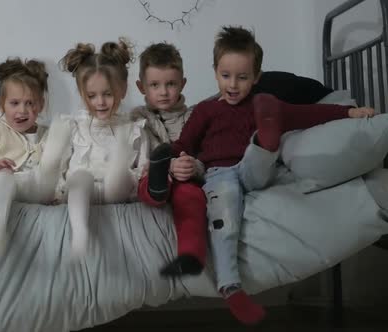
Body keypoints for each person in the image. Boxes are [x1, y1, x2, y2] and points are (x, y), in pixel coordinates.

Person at [150, 26, 375, 325]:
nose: (233, 84)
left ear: (256, 77)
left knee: (263, 160)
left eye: (242, 77)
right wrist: (175, 160)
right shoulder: (204, 111)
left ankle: (263, 142)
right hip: (221, 174)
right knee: (225, 206)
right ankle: (230, 286)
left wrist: (347, 113)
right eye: (226, 76)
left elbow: (309, 113)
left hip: (255, 168)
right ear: (215, 73)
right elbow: (182, 145)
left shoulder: (263, 103)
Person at [0, 57, 69, 254]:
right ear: (2, 104)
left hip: (40, 185)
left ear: (41, 104)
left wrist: (59, 190)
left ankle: (55, 189)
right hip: (10, 186)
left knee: (57, 152)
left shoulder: (47, 134)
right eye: (15, 103)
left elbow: (63, 168)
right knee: (2, 178)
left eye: (30, 103)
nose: (22, 111)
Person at [56, 38, 149, 256]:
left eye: (108, 94)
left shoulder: (134, 128)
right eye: (92, 96)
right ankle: (80, 233)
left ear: (123, 89)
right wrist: (57, 189)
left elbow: (144, 167)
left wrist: (137, 177)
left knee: (120, 175)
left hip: (115, 190)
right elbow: (60, 165)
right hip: (82, 189)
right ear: (82, 94)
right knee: (79, 177)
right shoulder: (74, 125)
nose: (100, 102)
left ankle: (117, 165)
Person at [132, 42, 208, 277]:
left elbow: (207, 155)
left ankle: (190, 256)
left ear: (183, 84)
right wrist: (165, 166)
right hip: (152, 176)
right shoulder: (137, 119)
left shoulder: (195, 116)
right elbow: (135, 156)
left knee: (191, 197)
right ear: (141, 87)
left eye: (171, 84)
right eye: (154, 85)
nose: (163, 92)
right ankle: (158, 184)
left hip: (184, 179)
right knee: (146, 179)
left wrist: (193, 166)